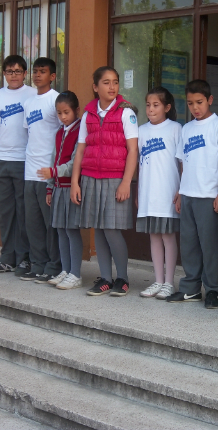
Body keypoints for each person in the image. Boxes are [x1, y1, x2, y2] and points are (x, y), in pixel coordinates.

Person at [166, 79, 218, 309]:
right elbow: (183, 163)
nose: (195, 107)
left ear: (210, 100)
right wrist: (179, 192)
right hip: (188, 195)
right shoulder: (186, 129)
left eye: (199, 102)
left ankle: (212, 289)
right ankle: (190, 289)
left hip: (209, 196)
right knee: (189, 244)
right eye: (190, 103)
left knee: (209, 245)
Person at [71, 66, 138, 297]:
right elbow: (80, 151)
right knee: (98, 229)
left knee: (112, 229)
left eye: (115, 82)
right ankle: (105, 279)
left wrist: (126, 182)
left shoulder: (126, 112)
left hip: (115, 178)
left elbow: (132, 150)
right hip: (90, 178)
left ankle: (122, 278)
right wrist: (75, 182)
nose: (112, 87)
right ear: (95, 87)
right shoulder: (88, 115)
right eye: (107, 82)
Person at [0, 55, 36, 275]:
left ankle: (24, 258)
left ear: (25, 73)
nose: (13, 75)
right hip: (2, 160)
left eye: (17, 71)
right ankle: (7, 257)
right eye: (9, 71)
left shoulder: (33, 94)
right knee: (5, 213)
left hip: (24, 160)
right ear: (3, 73)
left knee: (24, 212)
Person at [136, 87, 182, 300]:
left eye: (156, 105)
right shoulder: (142, 130)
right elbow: (139, 164)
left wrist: (181, 190)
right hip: (148, 194)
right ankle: (158, 280)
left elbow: (182, 163)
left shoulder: (175, 128)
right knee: (154, 237)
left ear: (167, 107)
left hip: (168, 193)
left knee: (168, 237)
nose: (151, 109)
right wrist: (138, 192)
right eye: (148, 105)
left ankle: (169, 282)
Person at [20, 57, 61, 283]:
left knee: (49, 223)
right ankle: (37, 264)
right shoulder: (28, 102)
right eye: (35, 71)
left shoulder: (55, 100)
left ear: (52, 76)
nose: (37, 75)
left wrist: (53, 170)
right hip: (30, 170)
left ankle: (54, 265)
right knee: (33, 222)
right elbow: (30, 134)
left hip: (48, 171)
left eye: (42, 71)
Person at [39, 91, 83, 290]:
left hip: (71, 188)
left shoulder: (80, 131)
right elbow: (53, 158)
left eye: (66, 112)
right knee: (61, 230)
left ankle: (76, 273)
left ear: (76, 111)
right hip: (58, 187)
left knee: (72, 230)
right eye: (59, 113)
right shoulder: (60, 132)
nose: (63, 117)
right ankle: (65, 269)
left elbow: (76, 162)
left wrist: (55, 171)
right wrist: (50, 186)